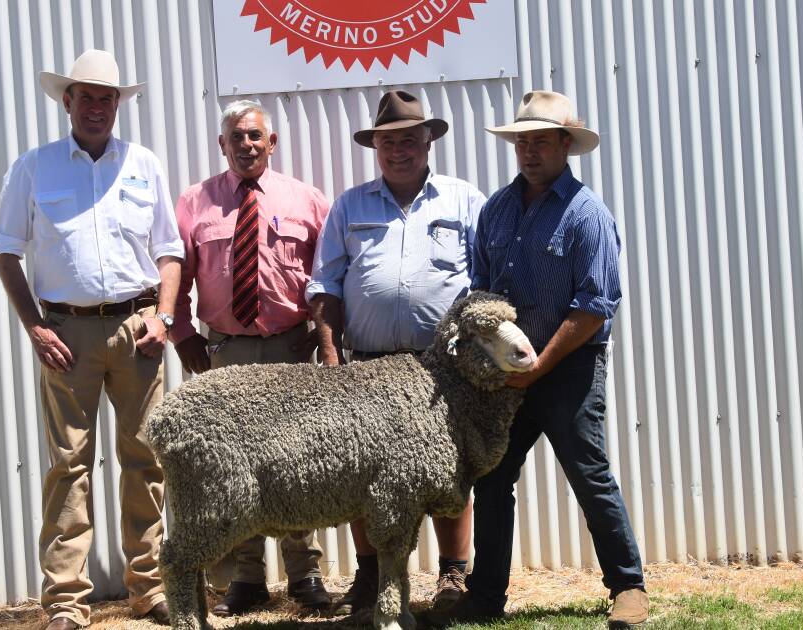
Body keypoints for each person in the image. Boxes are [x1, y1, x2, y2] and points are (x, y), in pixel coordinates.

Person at [0, 49, 182, 629]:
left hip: (136, 329)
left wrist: (165, 317)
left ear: (118, 104)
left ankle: (149, 590)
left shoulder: (142, 163)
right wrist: (35, 327)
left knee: (145, 458)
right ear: (66, 101)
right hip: (65, 332)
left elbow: (169, 251)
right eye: (86, 96)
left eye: (107, 98)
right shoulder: (34, 167)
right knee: (68, 466)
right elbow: (5, 250)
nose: (97, 107)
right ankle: (67, 602)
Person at [442, 90, 648, 626]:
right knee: (491, 478)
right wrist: (494, 366)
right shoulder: (497, 209)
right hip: (510, 373)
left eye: (541, 142)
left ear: (565, 146)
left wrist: (540, 366)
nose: (529, 152)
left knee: (588, 472)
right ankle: (485, 597)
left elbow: (595, 307)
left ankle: (628, 587)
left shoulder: (586, 215)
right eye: (522, 142)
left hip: (569, 367)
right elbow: (482, 292)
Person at [306, 90, 486, 616]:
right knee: (366, 475)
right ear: (375, 147)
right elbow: (326, 286)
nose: (399, 150)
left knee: (448, 472)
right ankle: (372, 579)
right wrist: (332, 358)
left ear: (428, 141)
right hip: (368, 367)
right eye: (388, 141)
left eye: (409, 139)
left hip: (443, 370)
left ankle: (453, 576)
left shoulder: (464, 200)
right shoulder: (350, 204)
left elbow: (486, 283)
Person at [169, 99, 332, 615]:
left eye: (255, 136)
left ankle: (305, 575)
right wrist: (182, 336)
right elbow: (177, 277)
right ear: (223, 144)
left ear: (272, 142)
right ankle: (246, 578)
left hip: (289, 350)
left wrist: (322, 336)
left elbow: (328, 276)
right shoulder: (195, 202)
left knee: (295, 463)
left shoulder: (307, 200)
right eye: (236, 137)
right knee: (233, 467)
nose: (246, 145)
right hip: (226, 354)